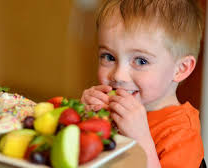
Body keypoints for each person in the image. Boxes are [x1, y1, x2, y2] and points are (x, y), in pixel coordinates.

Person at [81, 0, 204, 167]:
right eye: (109, 57)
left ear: (180, 69)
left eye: (141, 61)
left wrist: (140, 139)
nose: (118, 75)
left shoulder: (181, 132)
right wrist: (83, 117)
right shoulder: (108, 109)